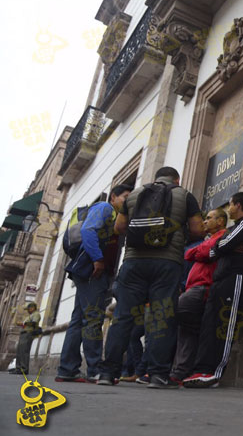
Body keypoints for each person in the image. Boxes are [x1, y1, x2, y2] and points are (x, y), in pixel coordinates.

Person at [98, 166, 204, 388]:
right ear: (176, 179)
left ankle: (108, 374)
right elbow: (197, 230)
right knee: (162, 317)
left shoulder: (135, 194)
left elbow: (119, 227)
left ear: (155, 178)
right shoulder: (184, 195)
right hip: (168, 262)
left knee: (123, 317)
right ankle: (157, 375)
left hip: (134, 262)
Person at [56, 184, 131, 383]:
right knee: (93, 319)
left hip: (90, 272)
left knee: (78, 319)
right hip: (92, 271)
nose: (127, 201)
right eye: (125, 196)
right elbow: (89, 231)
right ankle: (95, 370)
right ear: (113, 197)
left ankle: (67, 369)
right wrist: (98, 259)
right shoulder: (105, 208)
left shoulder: (117, 217)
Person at [183, 193, 243, 388]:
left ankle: (215, 372)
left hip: (235, 278)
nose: (229, 208)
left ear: (238, 205)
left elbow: (222, 244)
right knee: (209, 324)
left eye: (231, 204)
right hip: (220, 280)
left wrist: (223, 246)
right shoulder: (233, 229)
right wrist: (224, 246)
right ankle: (203, 369)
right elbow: (219, 246)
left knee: (224, 325)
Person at [171, 208, 228, 381]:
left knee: (176, 312)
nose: (204, 221)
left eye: (209, 218)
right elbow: (190, 254)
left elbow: (205, 252)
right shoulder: (207, 240)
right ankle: (180, 371)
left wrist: (201, 251)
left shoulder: (223, 235)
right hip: (193, 288)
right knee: (187, 331)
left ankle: (181, 369)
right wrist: (200, 251)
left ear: (220, 221)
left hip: (202, 288)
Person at [13, 302, 41, 375]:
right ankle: (18, 368)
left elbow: (34, 323)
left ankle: (24, 369)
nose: (28, 310)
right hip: (23, 333)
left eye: (29, 308)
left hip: (28, 334)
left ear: (33, 308)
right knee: (19, 351)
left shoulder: (36, 314)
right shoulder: (29, 316)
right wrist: (22, 325)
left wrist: (23, 324)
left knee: (24, 351)